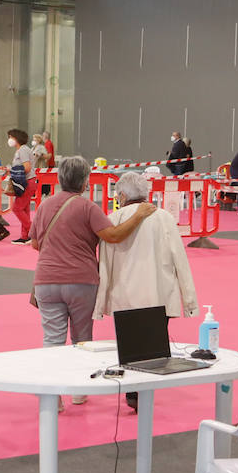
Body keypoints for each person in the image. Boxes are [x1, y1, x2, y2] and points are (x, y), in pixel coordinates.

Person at [32, 156, 156, 406]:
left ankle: (51, 397)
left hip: (45, 281)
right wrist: (139, 215)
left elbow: (35, 243)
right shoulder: (87, 207)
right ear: (85, 181)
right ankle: (79, 391)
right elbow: (112, 235)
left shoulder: (44, 206)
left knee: (52, 340)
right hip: (81, 280)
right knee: (82, 338)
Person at [95, 171, 199, 409]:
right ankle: (146, 392)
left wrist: (100, 304)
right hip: (160, 293)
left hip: (125, 294)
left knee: (129, 349)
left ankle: (132, 392)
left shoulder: (114, 218)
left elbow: (105, 264)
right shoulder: (164, 217)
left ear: (121, 195)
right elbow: (180, 260)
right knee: (155, 349)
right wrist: (189, 302)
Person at [5, 128, 37, 244]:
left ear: (16, 138)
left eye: (10, 137)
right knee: (25, 209)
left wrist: (12, 170)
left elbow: (27, 167)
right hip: (28, 181)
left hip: (27, 182)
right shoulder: (23, 150)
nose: (9, 140)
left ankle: (33, 230)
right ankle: (25, 236)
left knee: (17, 208)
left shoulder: (23, 150)